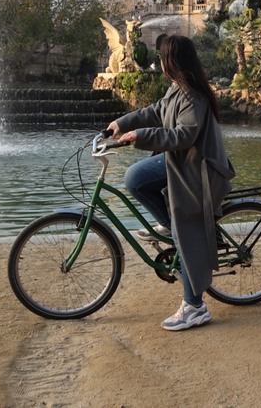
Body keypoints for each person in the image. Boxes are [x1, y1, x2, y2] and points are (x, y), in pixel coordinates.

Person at [107, 35, 236, 331]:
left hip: (199, 171)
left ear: (173, 62)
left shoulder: (193, 97)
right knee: (135, 178)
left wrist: (143, 137)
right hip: (182, 163)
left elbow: (183, 136)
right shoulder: (177, 89)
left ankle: (195, 307)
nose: (160, 63)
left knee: (184, 233)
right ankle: (169, 222)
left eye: (163, 58)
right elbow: (154, 111)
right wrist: (123, 123)